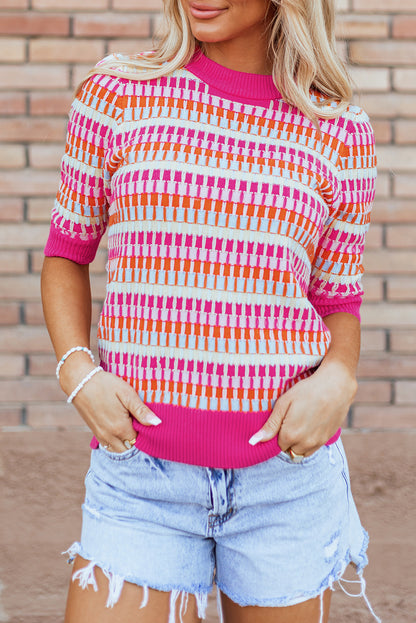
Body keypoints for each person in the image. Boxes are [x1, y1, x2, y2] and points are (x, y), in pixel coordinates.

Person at [41, 1, 381, 622]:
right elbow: (67, 251)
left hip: (286, 478)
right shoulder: (117, 94)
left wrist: (340, 376)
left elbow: (337, 300)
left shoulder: (340, 132)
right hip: (142, 475)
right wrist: (77, 372)